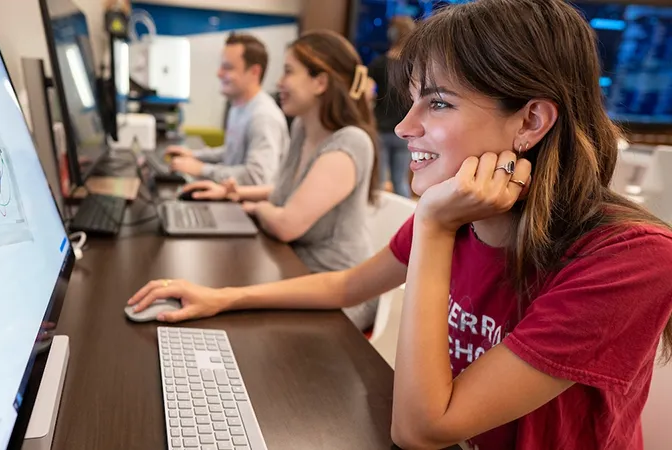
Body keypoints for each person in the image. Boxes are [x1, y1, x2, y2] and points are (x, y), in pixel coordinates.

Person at [129, 0, 672, 448]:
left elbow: (423, 428)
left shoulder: (631, 257)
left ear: (530, 121)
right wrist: (223, 297)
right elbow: (346, 285)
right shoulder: (458, 211)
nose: (405, 126)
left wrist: (433, 226)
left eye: (436, 103)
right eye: (412, 101)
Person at [173, 30, 381, 330]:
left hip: (337, 291)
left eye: (288, 72)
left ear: (320, 82)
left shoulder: (350, 142)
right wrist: (234, 194)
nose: (278, 83)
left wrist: (254, 207)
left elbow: (286, 224)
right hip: (296, 269)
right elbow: (290, 193)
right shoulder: (301, 128)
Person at [165, 33, 289, 186]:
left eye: (228, 67)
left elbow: (257, 177)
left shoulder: (263, 116)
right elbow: (233, 152)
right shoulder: (238, 106)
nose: (219, 73)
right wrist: (194, 155)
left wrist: (202, 169)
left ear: (254, 72)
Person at [368, 16, 416, 198]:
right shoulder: (413, 67)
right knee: (401, 181)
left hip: (381, 129)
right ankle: (405, 224)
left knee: (380, 183)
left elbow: (368, 94)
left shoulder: (377, 64)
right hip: (405, 132)